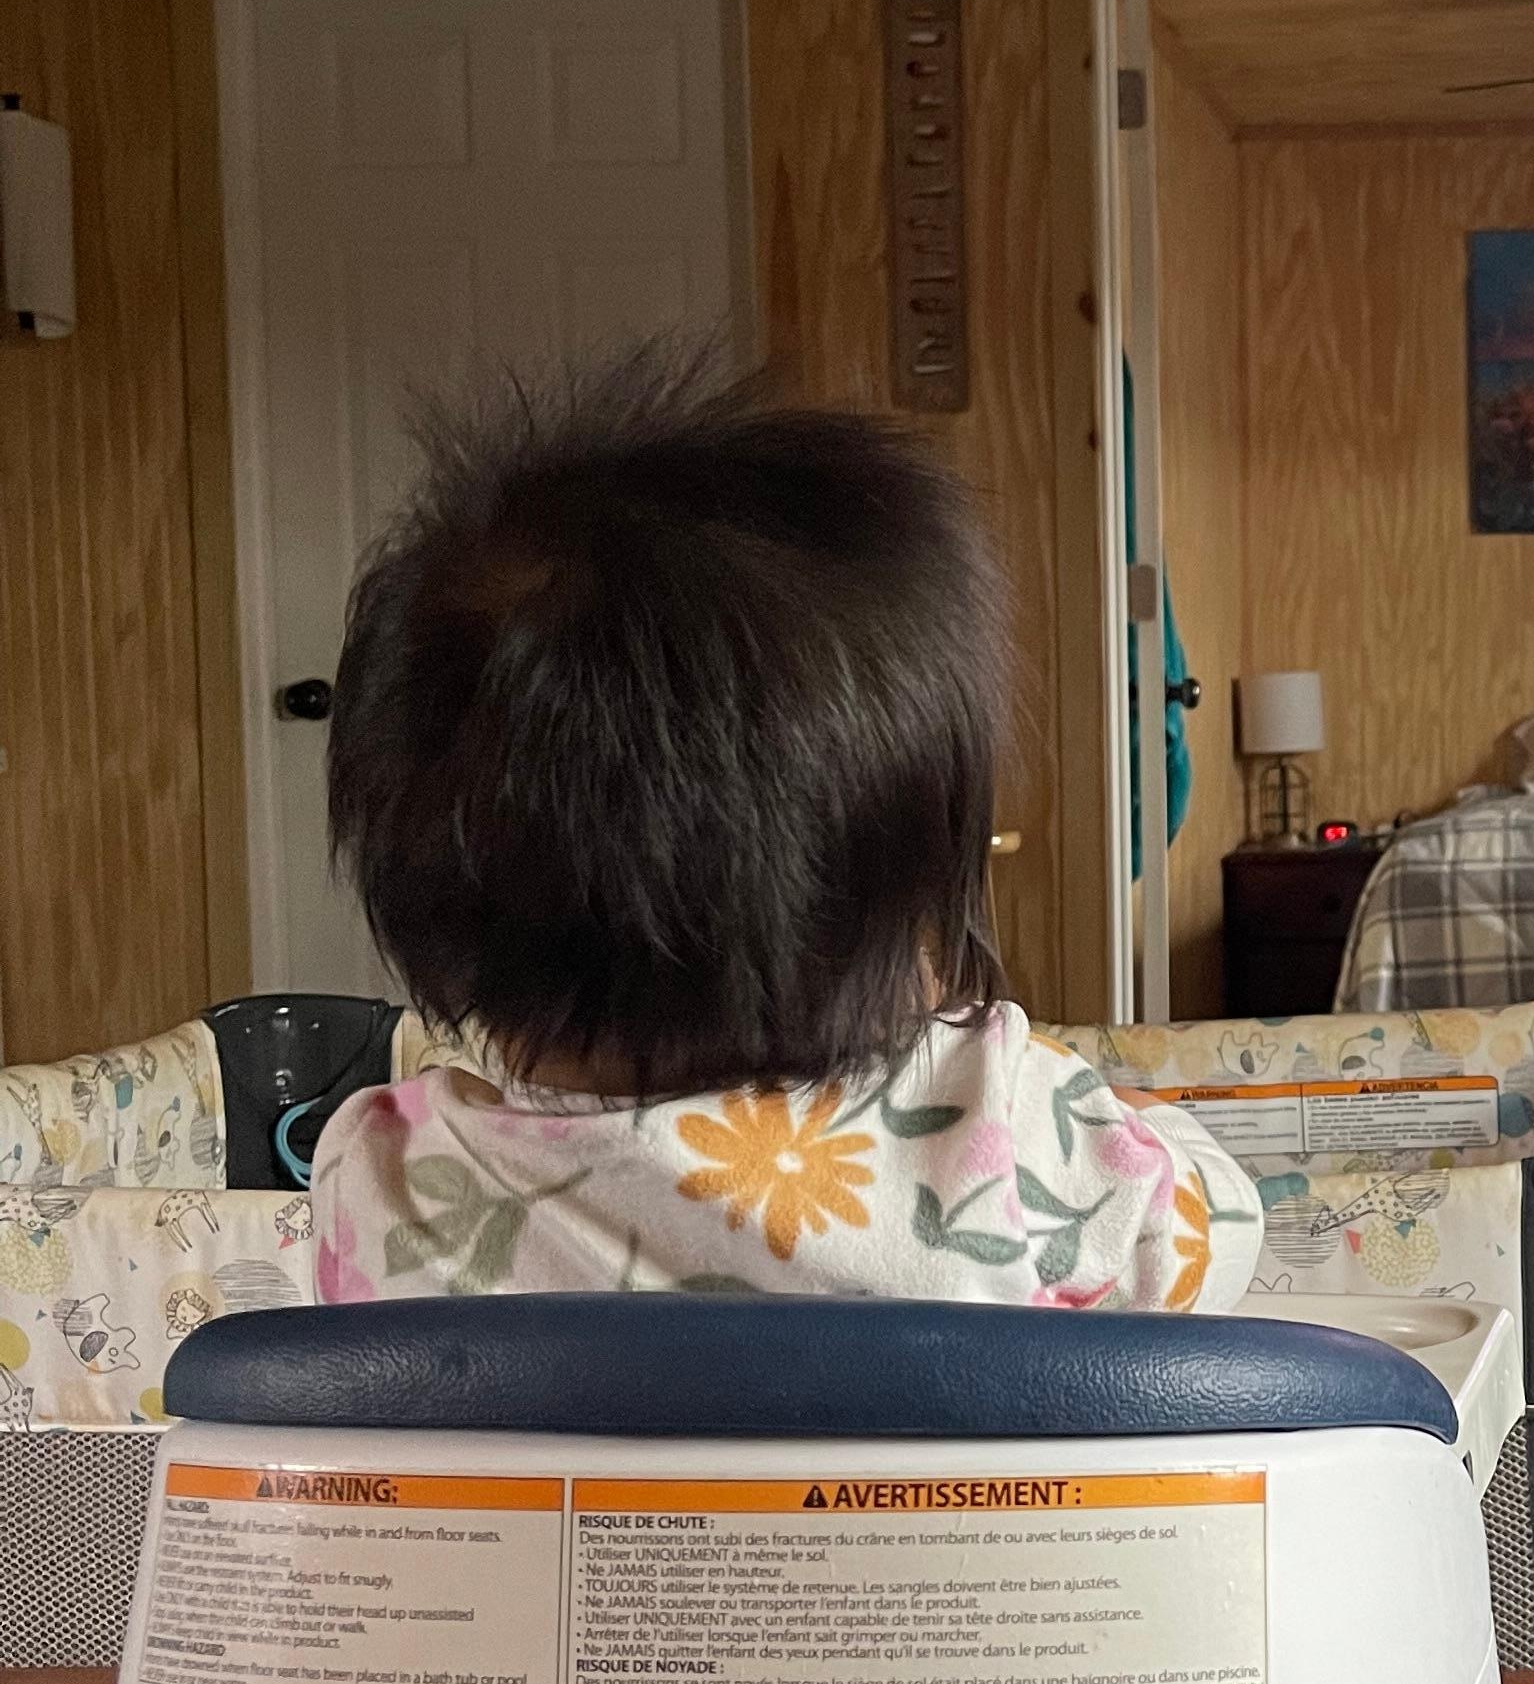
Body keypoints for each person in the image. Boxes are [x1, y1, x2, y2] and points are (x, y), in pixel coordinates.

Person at [306, 353, 1261, 1314]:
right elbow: (1218, 1231)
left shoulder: (387, 1173)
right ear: (902, 909)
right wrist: (1145, 1134)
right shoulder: (1008, 1120)